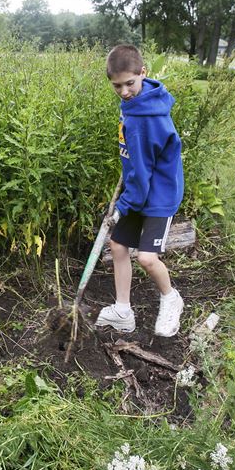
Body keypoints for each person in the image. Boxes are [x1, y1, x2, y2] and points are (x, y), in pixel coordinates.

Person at [94, 44, 185, 337]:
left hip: (158, 196)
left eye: (129, 83)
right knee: (118, 246)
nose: (123, 91)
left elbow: (144, 173)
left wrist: (123, 205)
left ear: (143, 73)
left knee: (146, 258)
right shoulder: (136, 103)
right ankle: (123, 311)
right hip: (139, 189)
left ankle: (172, 299)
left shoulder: (147, 119)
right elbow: (136, 162)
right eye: (116, 85)